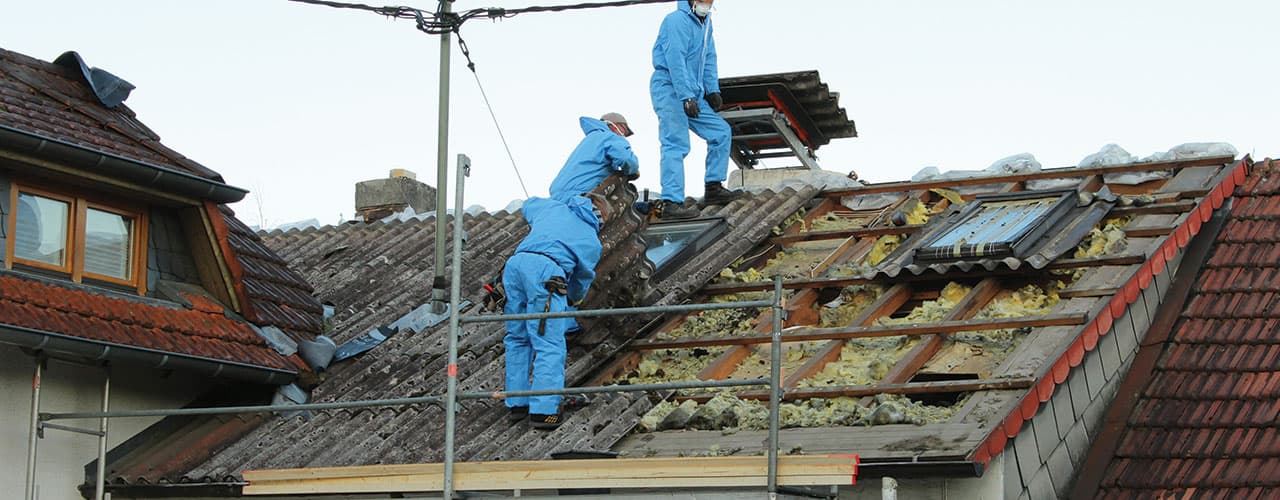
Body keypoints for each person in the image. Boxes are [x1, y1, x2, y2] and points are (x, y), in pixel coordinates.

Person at [502, 195, 603, 430]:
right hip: (548, 274)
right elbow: (582, 279)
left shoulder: (553, 208)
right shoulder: (591, 240)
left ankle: (517, 405)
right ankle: (544, 412)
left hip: (514, 266)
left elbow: (528, 205)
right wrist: (573, 301)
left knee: (517, 338)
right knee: (548, 343)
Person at [650, 0, 741, 220]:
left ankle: (713, 188)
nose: (707, 3)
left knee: (720, 132)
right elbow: (675, 59)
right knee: (676, 143)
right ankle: (672, 202)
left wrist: (712, 89)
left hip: (694, 92)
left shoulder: (706, 23)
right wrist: (685, 96)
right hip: (671, 89)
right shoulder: (676, 21)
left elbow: (709, 57)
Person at [549, 112, 640, 203]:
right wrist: (632, 170)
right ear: (612, 125)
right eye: (623, 129)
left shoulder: (590, 140)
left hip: (558, 197)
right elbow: (626, 159)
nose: (623, 135)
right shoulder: (609, 137)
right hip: (579, 196)